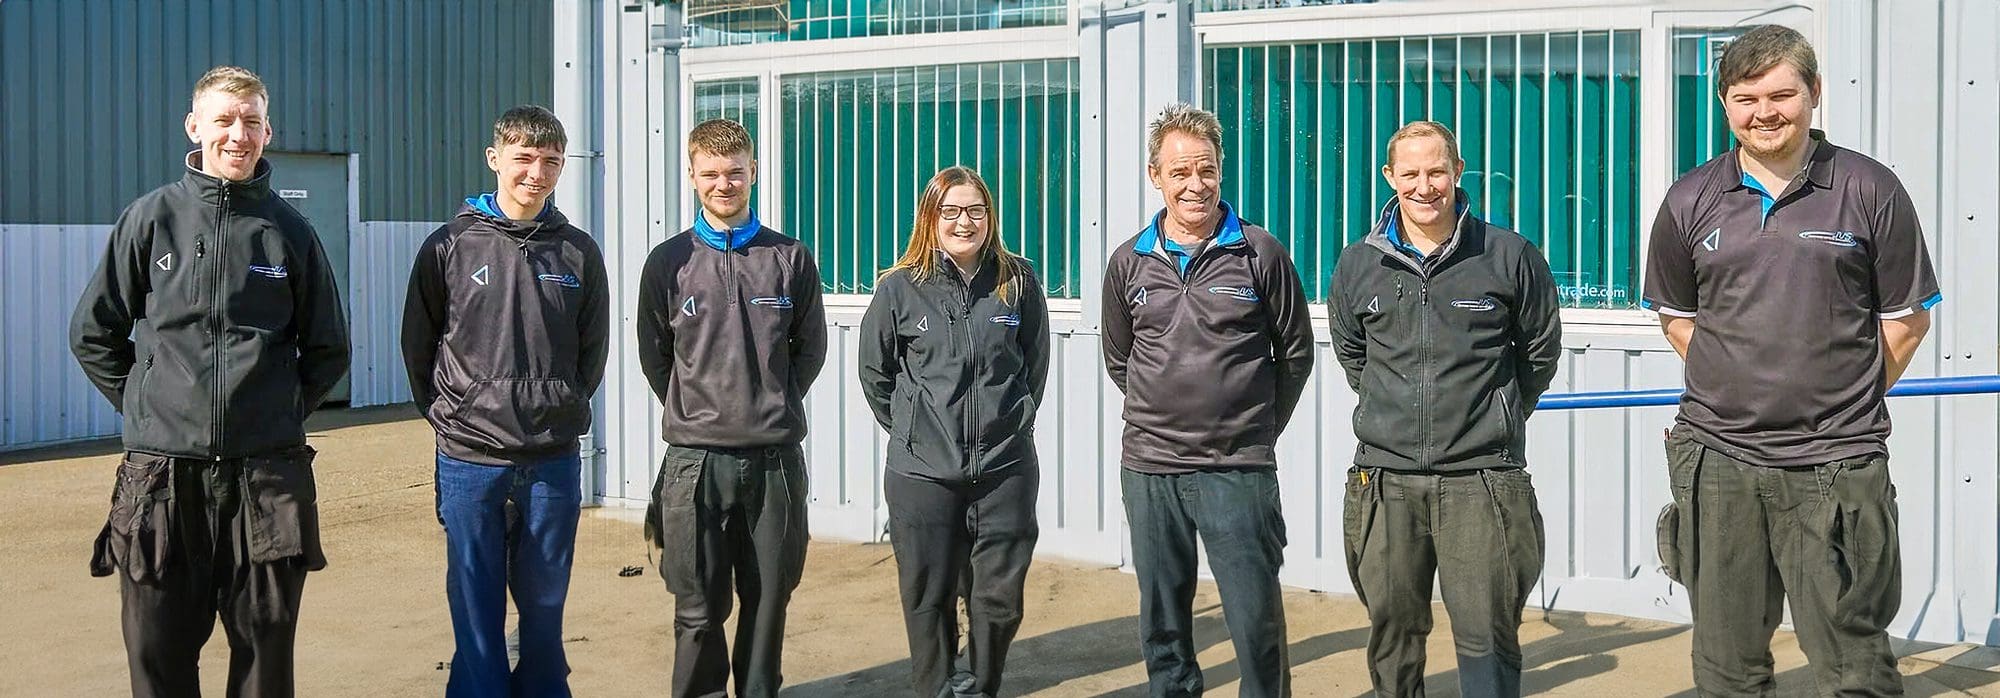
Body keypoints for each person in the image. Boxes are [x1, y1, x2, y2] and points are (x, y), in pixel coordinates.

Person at [1642, 24, 1939, 696]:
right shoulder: (1689, 199)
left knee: (1854, 666)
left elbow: (1907, 320)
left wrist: (1842, 400)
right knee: (1727, 666)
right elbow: (1677, 316)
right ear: (1725, 104)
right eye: (1745, 98)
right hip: (1719, 461)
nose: (1764, 112)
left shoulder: (1870, 189)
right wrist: (1732, 381)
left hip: (1836, 465)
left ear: (1814, 93)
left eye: (1781, 95)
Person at [69, 64, 351, 697]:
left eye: (251, 121)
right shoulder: (150, 220)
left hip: (266, 481)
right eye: (223, 120)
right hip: (162, 482)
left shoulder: (291, 233)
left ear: (268, 132)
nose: (237, 135)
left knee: (263, 662)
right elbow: (93, 332)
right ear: (194, 127)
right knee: (156, 656)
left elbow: (329, 348)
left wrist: (272, 411)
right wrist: (149, 404)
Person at [1327, 120, 1563, 697]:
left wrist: (1493, 416)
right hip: (1386, 479)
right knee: (1393, 637)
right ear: (1390, 177)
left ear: (1458, 172)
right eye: (1410, 173)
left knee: (1487, 638)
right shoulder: (1359, 264)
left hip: (1480, 481)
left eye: (1436, 171)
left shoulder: (1508, 255)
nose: (1424, 186)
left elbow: (1538, 353)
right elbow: (1354, 356)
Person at [1099, 103, 1314, 698]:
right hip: (1151, 468)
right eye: (1180, 172)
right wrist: (1163, 413)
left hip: (1237, 468)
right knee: (1163, 620)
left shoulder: (1261, 253)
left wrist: (1253, 428)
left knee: (1255, 618)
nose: (1195, 184)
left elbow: (1295, 354)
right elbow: (1120, 358)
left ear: (1220, 171)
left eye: (1207, 170)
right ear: (1155, 176)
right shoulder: (1128, 262)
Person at [401, 104, 610, 697]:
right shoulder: (450, 246)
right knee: (476, 607)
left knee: (544, 608)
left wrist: (560, 403)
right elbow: (418, 344)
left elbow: (591, 352)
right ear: (495, 159)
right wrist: (454, 414)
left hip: (551, 460)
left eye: (550, 161)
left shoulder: (577, 252)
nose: (536, 174)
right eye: (523, 158)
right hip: (470, 460)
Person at [635, 118, 828, 697]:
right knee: (697, 603)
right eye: (711, 173)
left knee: (768, 600)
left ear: (754, 172)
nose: (724, 184)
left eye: (735, 172)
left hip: (773, 461)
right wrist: (699, 409)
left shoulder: (789, 257)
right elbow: (656, 357)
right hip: (695, 462)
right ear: (692, 176)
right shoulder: (668, 262)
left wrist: (768, 403)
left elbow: (809, 351)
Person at [858, 165, 1050, 697]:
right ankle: (935, 689)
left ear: (990, 216)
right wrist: (915, 431)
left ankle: (981, 685)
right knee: (928, 598)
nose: (964, 221)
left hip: (1005, 470)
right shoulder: (899, 289)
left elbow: (1033, 365)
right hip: (922, 476)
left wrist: (1011, 422)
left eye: (975, 210)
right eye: (951, 211)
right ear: (931, 217)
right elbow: (875, 374)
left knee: (999, 599)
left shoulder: (1018, 281)